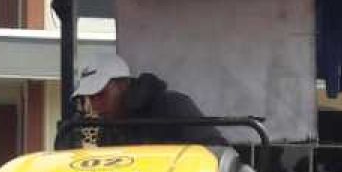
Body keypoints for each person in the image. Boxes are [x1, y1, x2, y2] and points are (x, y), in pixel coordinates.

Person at [67, 52, 225, 147]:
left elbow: (216, 149)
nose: (95, 105)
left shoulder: (172, 106)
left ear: (123, 85)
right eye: (90, 98)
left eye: (100, 94)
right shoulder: (108, 129)